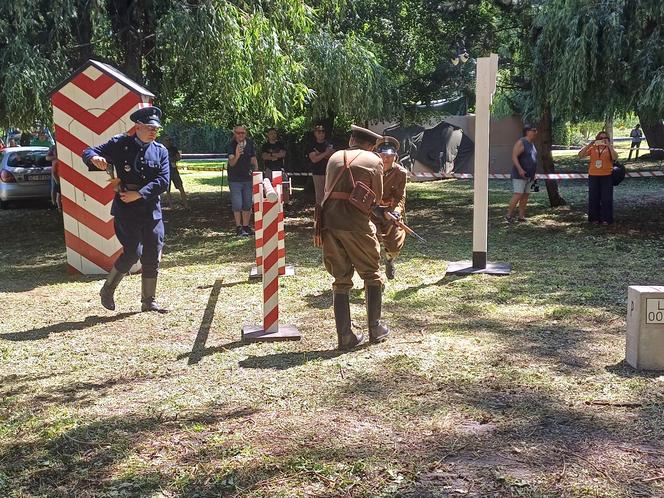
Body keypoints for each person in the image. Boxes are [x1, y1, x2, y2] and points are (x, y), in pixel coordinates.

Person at [82, 106, 170, 313]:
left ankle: (149, 301)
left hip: (151, 209)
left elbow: (163, 181)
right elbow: (89, 151)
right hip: (126, 209)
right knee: (132, 253)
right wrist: (94, 158)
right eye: (149, 128)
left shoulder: (160, 151)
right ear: (137, 127)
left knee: (152, 253)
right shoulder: (120, 144)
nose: (153, 132)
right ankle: (108, 290)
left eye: (156, 129)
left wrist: (139, 194)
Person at [317, 124, 388, 350]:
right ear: (371, 145)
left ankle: (345, 336)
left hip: (329, 222)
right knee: (371, 274)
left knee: (340, 279)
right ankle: (375, 328)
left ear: (351, 140)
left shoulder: (334, 157)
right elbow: (377, 197)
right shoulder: (373, 160)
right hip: (357, 224)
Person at [371, 136, 407, 280]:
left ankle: (389, 259)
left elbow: (400, 196)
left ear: (395, 157)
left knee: (394, 244)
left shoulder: (401, 173)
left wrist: (396, 212)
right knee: (370, 243)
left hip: (389, 211)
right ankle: (372, 274)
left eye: (389, 156)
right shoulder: (370, 170)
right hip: (371, 211)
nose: (386, 159)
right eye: (383, 155)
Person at [578, 131, 619, 225]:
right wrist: (590, 144)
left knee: (606, 198)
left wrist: (609, 146)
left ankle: (606, 219)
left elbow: (615, 158)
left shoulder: (609, 148)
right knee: (593, 198)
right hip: (593, 175)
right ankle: (594, 219)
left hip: (607, 175)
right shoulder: (593, 148)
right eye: (600, 138)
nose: (602, 140)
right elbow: (580, 155)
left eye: (605, 138)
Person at [227, 125, 258, 236]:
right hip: (235, 179)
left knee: (247, 203)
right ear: (234, 134)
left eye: (243, 133)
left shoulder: (249, 143)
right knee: (237, 204)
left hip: (247, 178)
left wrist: (256, 172)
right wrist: (237, 155)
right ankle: (238, 227)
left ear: (246, 134)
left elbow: (253, 158)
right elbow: (232, 163)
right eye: (238, 133)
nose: (241, 135)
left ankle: (246, 226)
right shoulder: (231, 145)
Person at [505, 124, 538, 223]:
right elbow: (514, 156)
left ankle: (521, 216)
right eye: (534, 130)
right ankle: (508, 215)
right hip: (520, 174)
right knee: (518, 194)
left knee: (525, 195)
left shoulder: (532, 143)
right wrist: (520, 169)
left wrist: (534, 174)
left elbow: (533, 159)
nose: (536, 132)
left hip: (530, 175)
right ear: (528, 132)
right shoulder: (521, 142)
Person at [308, 124, 335, 207]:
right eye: (319, 131)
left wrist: (319, 154)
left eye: (323, 131)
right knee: (319, 196)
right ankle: (319, 216)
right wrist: (326, 153)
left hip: (329, 172)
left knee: (329, 195)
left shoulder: (329, 144)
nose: (321, 133)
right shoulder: (311, 145)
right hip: (317, 173)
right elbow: (314, 159)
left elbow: (332, 157)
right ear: (315, 133)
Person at [162, 136, 188, 209]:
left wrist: (172, 159)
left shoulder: (174, 148)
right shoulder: (161, 149)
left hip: (174, 171)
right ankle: (171, 206)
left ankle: (186, 205)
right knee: (167, 189)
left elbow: (178, 157)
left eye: (169, 140)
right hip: (165, 172)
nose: (168, 141)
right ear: (164, 141)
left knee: (180, 187)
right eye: (166, 140)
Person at [46, 142, 61, 212]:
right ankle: (54, 203)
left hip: (60, 172)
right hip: (55, 172)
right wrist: (57, 157)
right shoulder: (53, 147)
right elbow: (47, 158)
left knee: (59, 191)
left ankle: (59, 205)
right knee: (54, 187)